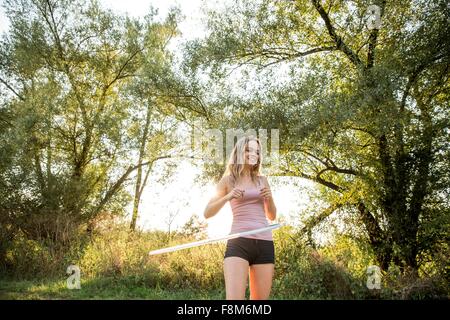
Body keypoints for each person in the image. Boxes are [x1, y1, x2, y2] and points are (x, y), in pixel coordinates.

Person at [203, 135, 277, 300]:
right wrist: (227, 197)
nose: (253, 154)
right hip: (239, 242)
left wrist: (269, 198)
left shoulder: (262, 180)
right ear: (239, 153)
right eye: (249, 150)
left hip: (264, 243)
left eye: (257, 152)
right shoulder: (228, 180)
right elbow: (207, 212)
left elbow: (272, 215)